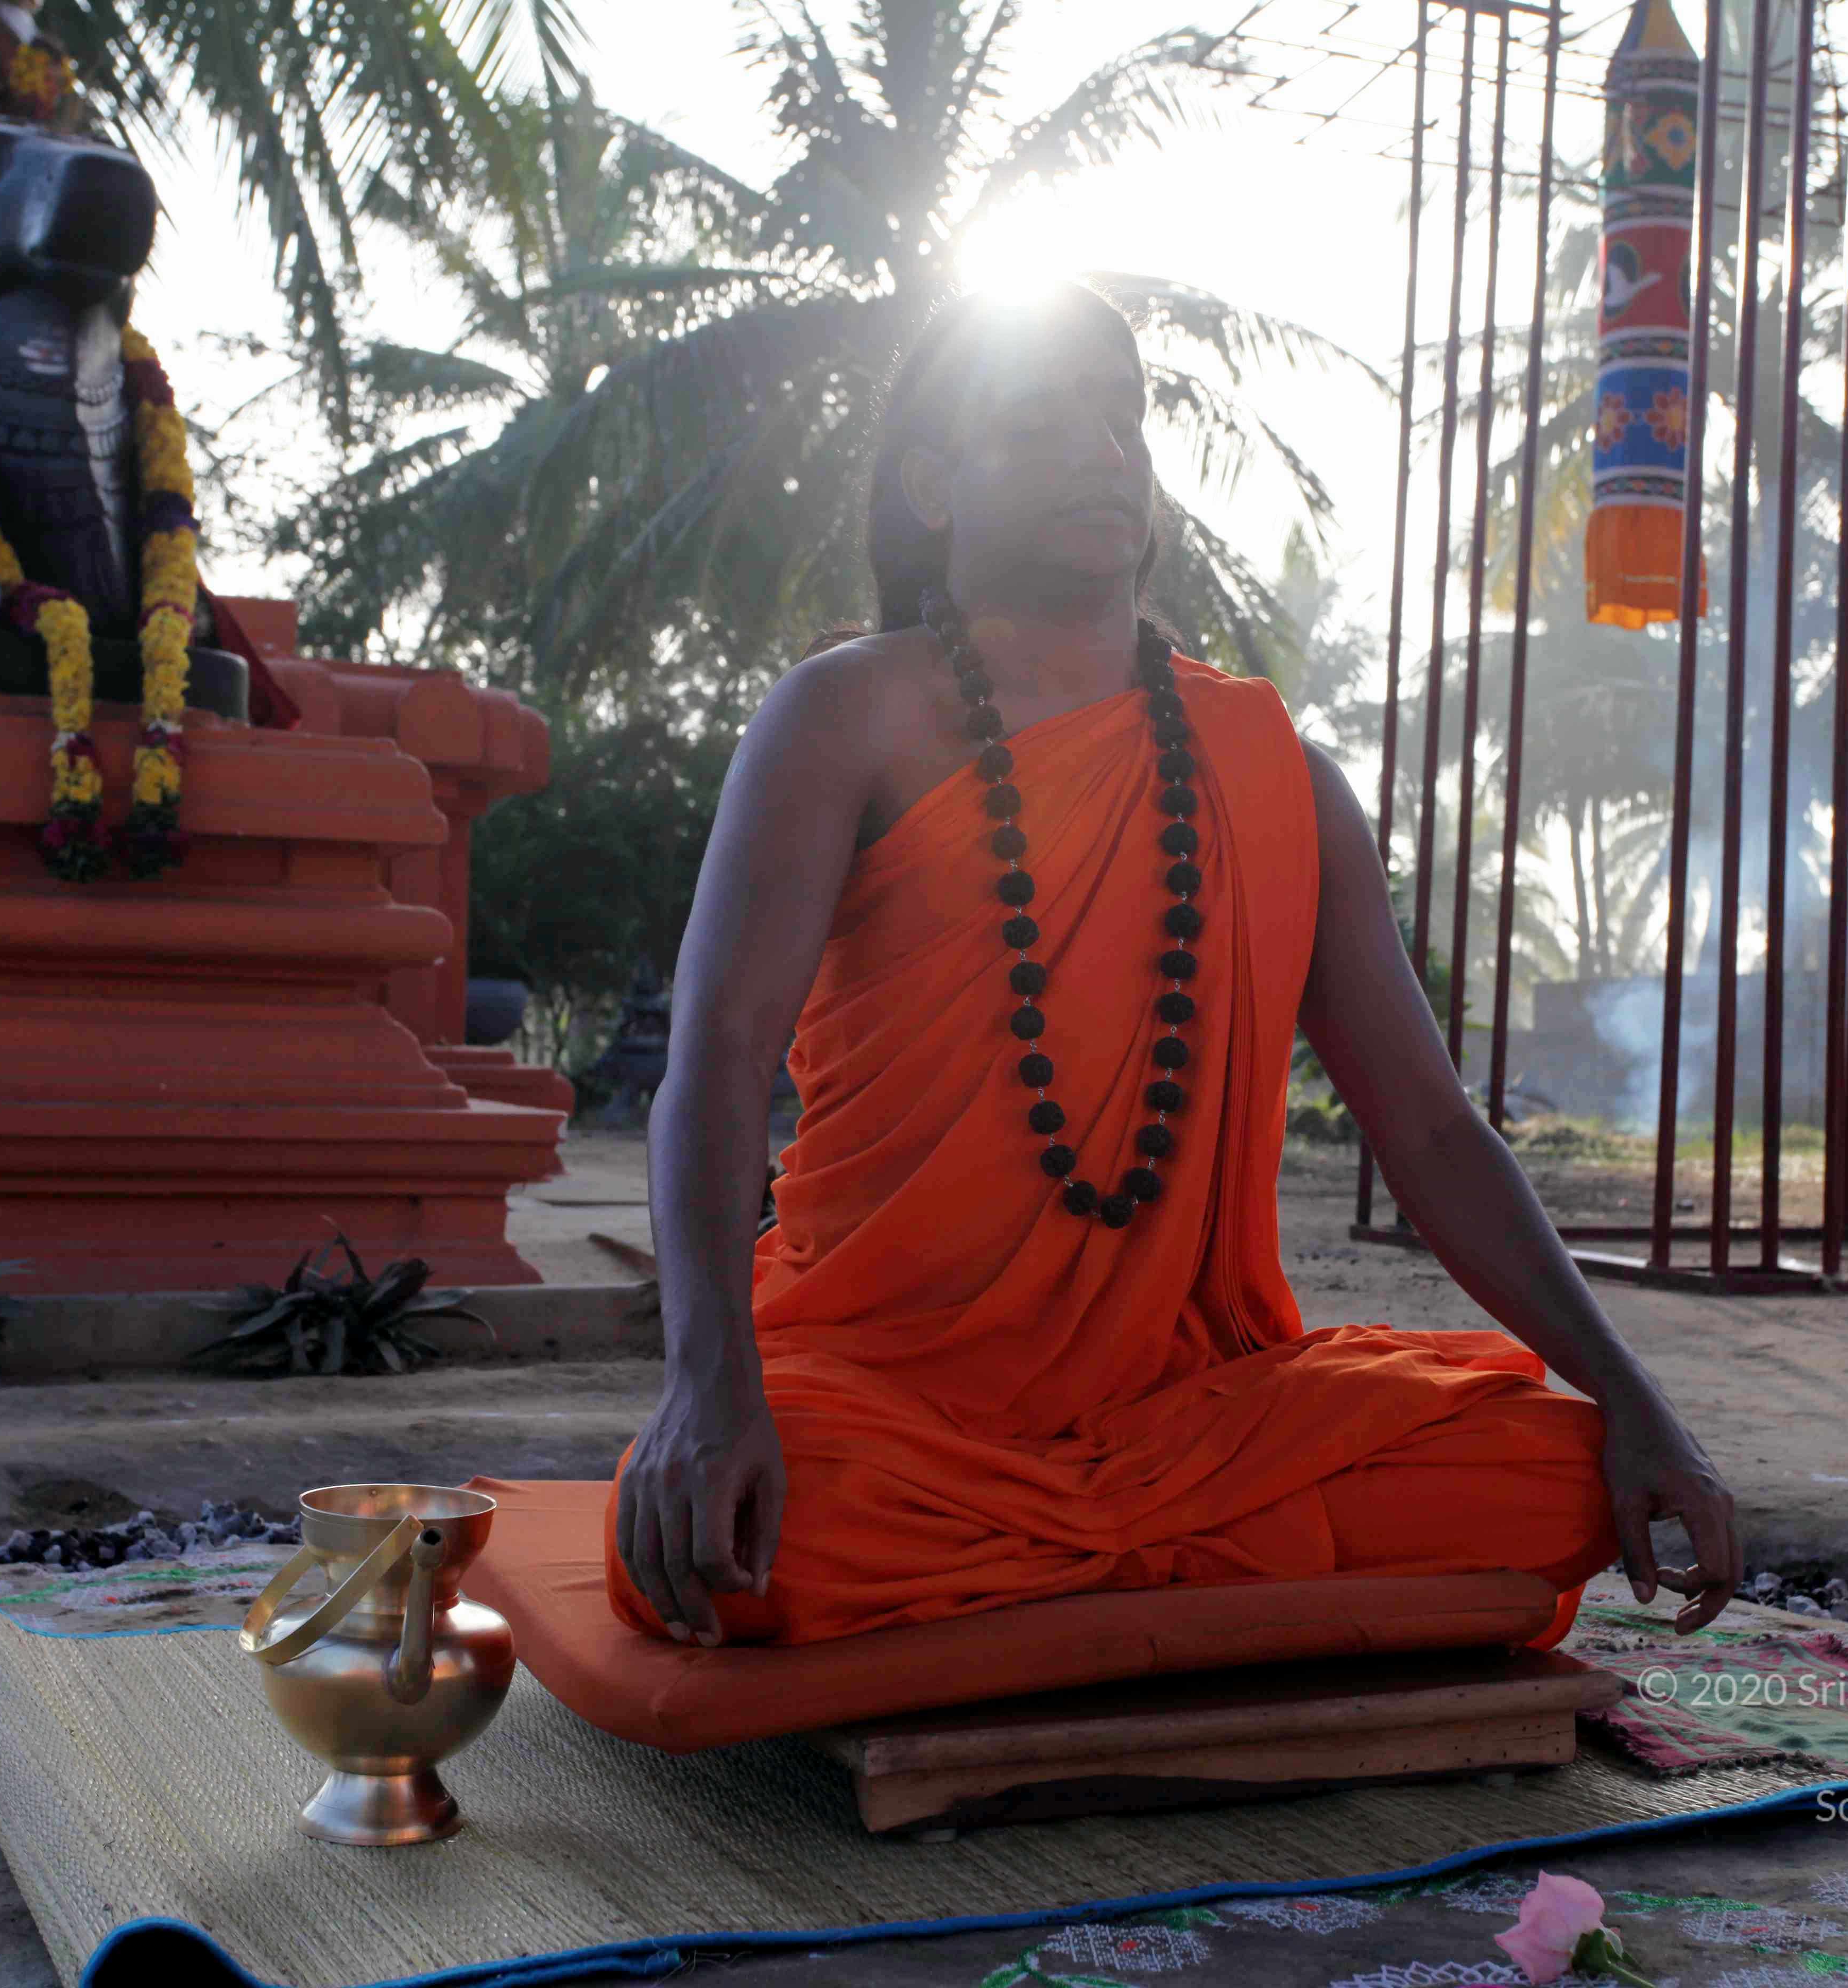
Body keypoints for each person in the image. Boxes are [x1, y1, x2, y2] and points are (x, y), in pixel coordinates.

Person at [607, 280, 1738, 1653]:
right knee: (773, 1528)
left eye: (1122, 417)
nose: (1103, 451)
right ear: (934, 486)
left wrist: (1633, 1398)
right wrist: (708, 1387)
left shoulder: (1279, 774)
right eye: (1041, 423)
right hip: (892, 1389)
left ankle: (1059, 1584)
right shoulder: (847, 716)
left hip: (1194, 1406)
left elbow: (1435, 1130)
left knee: (1550, 1471)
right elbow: (718, 1059)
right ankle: (1186, 1585)